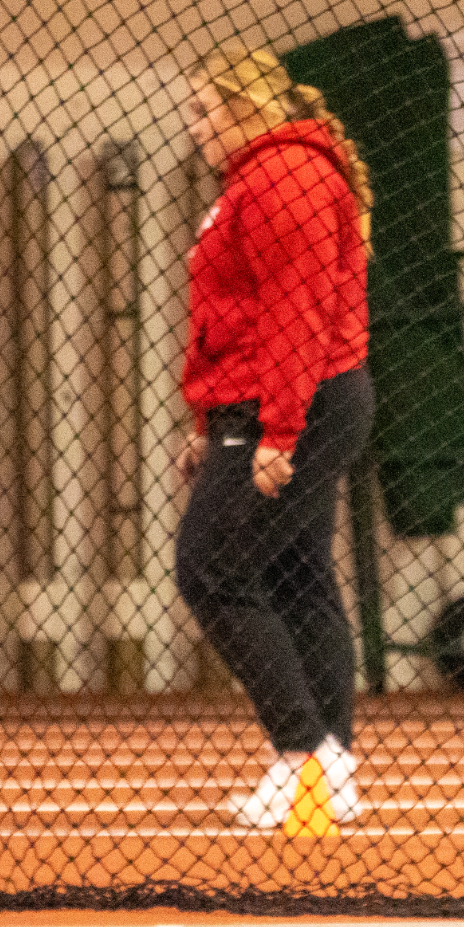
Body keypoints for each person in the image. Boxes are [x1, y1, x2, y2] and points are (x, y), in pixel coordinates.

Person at [176, 44, 376, 829]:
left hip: (298, 405)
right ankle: (328, 769)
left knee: (211, 567)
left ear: (245, 106)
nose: (194, 126)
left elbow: (297, 314)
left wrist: (278, 432)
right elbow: (230, 320)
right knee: (297, 573)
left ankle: (304, 756)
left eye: (203, 109)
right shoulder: (259, 178)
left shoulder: (285, 176)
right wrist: (209, 423)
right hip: (278, 403)